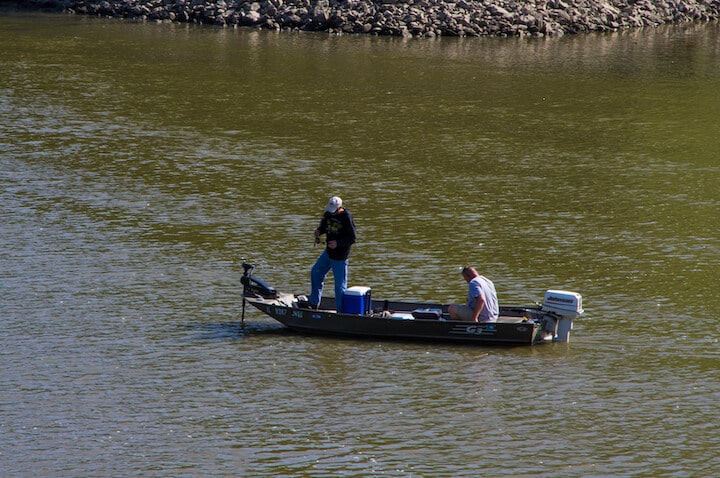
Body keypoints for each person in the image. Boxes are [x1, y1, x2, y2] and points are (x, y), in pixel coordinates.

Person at [307, 196, 357, 312]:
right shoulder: (328, 214)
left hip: (340, 256)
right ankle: (314, 303)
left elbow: (353, 238)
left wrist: (338, 243)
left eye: (334, 210)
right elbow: (324, 226)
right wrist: (319, 231)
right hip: (328, 253)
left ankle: (341, 311)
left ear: (339, 208)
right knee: (316, 272)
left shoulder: (346, 217)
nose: (331, 212)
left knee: (339, 287)